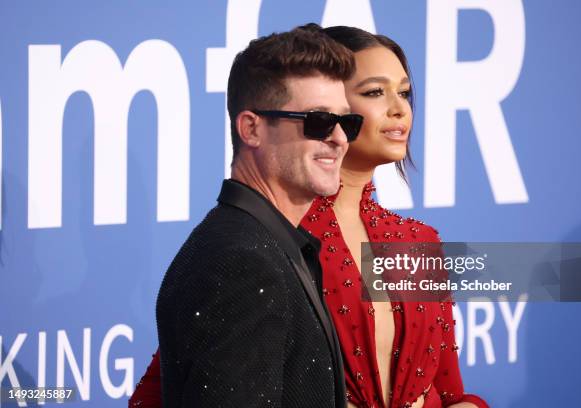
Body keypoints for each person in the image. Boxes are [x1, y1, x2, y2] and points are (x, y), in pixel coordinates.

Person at [132, 24, 489, 408]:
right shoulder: (271, 242)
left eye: (404, 92)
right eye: (373, 92)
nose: (399, 108)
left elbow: (450, 392)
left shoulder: (416, 242)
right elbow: (168, 390)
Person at [154, 25, 363, 407]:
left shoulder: (272, 245)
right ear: (251, 128)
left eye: (347, 122)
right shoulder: (240, 262)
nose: (339, 139)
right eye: (317, 121)